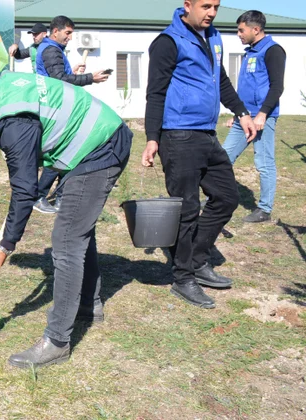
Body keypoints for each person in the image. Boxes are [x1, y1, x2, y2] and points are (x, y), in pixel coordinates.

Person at [0, 73, 132, 369]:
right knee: (78, 228)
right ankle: (87, 304)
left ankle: (57, 342)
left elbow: (24, 190)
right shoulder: (1, 91)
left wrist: (6, 246)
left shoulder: (12, 122)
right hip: (96, 138)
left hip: (99, 145)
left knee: (67, 242)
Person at [142, 0, 258, 309]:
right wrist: (152, 137)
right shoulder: (168, 41)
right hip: (178, 134)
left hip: (206, 133)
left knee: (227, 197)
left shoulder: (213, 36)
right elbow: (155, 92)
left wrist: (242, 112)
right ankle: (183, 279)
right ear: (187, 5)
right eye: (206, 6)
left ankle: (195, 259)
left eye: (216, 6)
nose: (212, 13)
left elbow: (220, 81)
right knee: (187, 209)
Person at [32, 15, 111, 214]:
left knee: (70, 151)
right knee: (61, 153)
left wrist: (73, 71)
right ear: (55, 31)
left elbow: (59, 76)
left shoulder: (52, 49)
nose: (70, 37)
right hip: (56, 108)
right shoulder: (51, 50)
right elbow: (59, 80)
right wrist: (90, 78)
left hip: (60, 107)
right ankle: (39, 196)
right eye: (67, 33)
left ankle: (61, 196)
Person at [221, 10, 285, 223]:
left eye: (241, 30)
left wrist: (263, 114)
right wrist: (237, 113)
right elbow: (247, 88)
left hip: (261, 118)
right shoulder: (250, 53)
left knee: (264, 162)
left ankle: (264, 209)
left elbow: (277, 87)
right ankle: (217, 197)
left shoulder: (273, 51)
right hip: (244, 117)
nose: (238, 34)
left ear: (256, 29)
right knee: (222, 157)